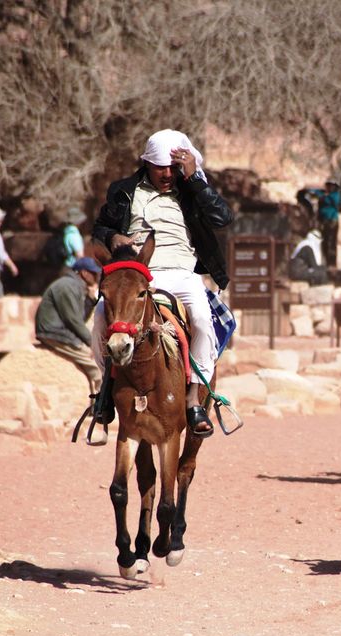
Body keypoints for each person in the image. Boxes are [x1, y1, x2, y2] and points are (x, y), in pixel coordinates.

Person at [91, 129, 234, 437]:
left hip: (184, 271)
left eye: (173, 168)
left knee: (201, 320)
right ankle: (106, 390)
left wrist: (195, 178)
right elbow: (100, 227)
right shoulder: (124, 190)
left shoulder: (191, 189)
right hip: (141, 271)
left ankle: (195, 399)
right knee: (101, 316)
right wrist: (112, 236)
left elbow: (222, 218)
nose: (167, 174)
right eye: (160, 167)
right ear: (147, 164)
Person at [35, 257, 103, 392]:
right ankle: (100, 406)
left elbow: (80, 318)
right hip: (55, 333)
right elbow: (73, 321)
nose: (97, 277)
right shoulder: (68, 286)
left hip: (62, 331)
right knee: (97, 366)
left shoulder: (75, 286)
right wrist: (92, 344)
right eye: (94, 274)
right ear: (84, 273)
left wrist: (90, 299)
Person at [306, 180, 341, 268]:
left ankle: (332, 263)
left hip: (332, 221)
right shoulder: (322, 194)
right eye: (328, 185)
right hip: (323, 221)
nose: (330, 187)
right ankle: (325, 261)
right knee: (324, 241)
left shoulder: (335, 195)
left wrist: (326, 196)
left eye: (331, 186)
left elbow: (336, 202)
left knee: (332, 242)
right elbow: (314, 194)